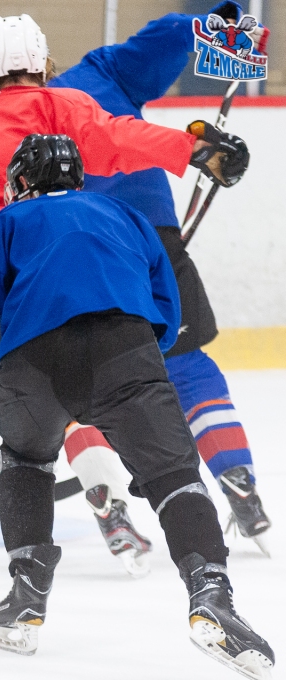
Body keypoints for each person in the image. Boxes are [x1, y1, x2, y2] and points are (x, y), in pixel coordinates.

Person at [0, 135, 273, 678]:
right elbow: (166, 308)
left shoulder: (3, 224)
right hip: (129, 351)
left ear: (20, 179)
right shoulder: (124, 215)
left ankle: (26, 594)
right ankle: (211, 594)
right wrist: (135, 371)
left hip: (35, 363)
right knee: (173, 475)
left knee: (26, 462)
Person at [0, 12, 250, 568]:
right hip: (31, 261)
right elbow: (116, 138)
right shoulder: (59, 107)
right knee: (64, 380)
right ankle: (110, 508)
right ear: (45, 65)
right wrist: (191, 150)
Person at [50, 0, 272, 555]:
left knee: (81, 376)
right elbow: (170, 33)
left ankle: (110, 505)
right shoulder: (103, 71)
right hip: (154, 239)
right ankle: (239, 480)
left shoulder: (21, 111)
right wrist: (213, 24)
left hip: (80, 250)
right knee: (187, 361)